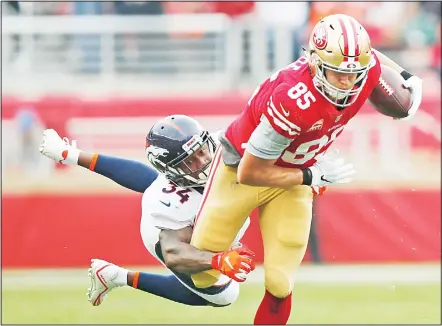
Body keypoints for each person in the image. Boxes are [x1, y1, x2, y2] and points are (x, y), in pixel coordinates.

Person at [188, 13, 423, 325]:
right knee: (203, 276)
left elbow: (374, 63)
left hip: (293, 178)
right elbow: (250, 172)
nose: (347, 82)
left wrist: (405, 76)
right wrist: (312, 176)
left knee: (281, 281)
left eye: (354, 73)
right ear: (314, 62)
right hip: (241, 170)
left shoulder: (361, 70)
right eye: (337, 73)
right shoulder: (293, 100)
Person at [38, 115, 255, 308]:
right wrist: (217, 260)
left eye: (202, 151)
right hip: (170, 233)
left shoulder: (222, 143)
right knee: (224, 296)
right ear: (172, 170)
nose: (204, 161)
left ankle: (69, 153)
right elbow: (174, 253)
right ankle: (117, 276)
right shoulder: (166, 202)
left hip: (191, 200)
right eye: (190, 161)